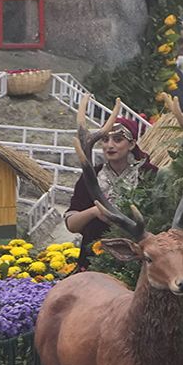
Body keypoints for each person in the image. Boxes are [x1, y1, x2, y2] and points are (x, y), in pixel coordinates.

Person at [64, 116, 155, 271]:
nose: (110, 146)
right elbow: (71, 224)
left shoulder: (149, 174)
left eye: (118, 140)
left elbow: (159, 220)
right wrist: (94, 211)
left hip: (137, 260)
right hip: (93, 260)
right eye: (105, 140)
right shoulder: (91, 175)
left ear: (132, 144)